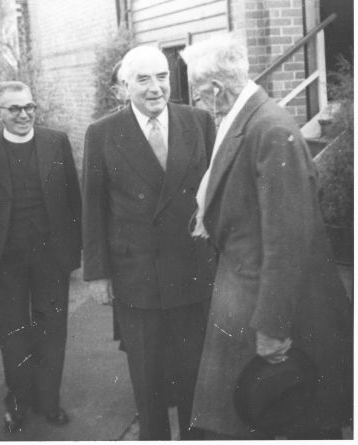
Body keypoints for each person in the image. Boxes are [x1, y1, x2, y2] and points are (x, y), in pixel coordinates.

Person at [180, 34, 353, 440]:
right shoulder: (247, 120)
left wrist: (272, 328)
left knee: (290, 418)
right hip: (247, 293)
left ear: (217, 88)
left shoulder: (269, 129)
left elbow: (288, 240)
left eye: (200, 96)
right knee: (254, 419)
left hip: (272, 309)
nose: (200, 104)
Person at [82, 45, 216, 440]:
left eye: (162, 76)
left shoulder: (199, 122)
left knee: (195, 372)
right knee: (148, 376)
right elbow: (93, 207)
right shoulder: (102, 133)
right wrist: (99, 275)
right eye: (143, 79)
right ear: (125, 86)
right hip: (136, 276)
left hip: (192, 270)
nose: (156, 87)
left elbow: (216, 197)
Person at [0, 81, 82, 433]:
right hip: (5, 263)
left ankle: (49, 402)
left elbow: (73, 198)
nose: (24, 115)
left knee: (52, 331)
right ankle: (17, 403)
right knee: (13, 334)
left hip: (51, 257)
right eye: (14, 109)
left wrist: (76, 249)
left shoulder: (55, 141)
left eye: (29, 107)